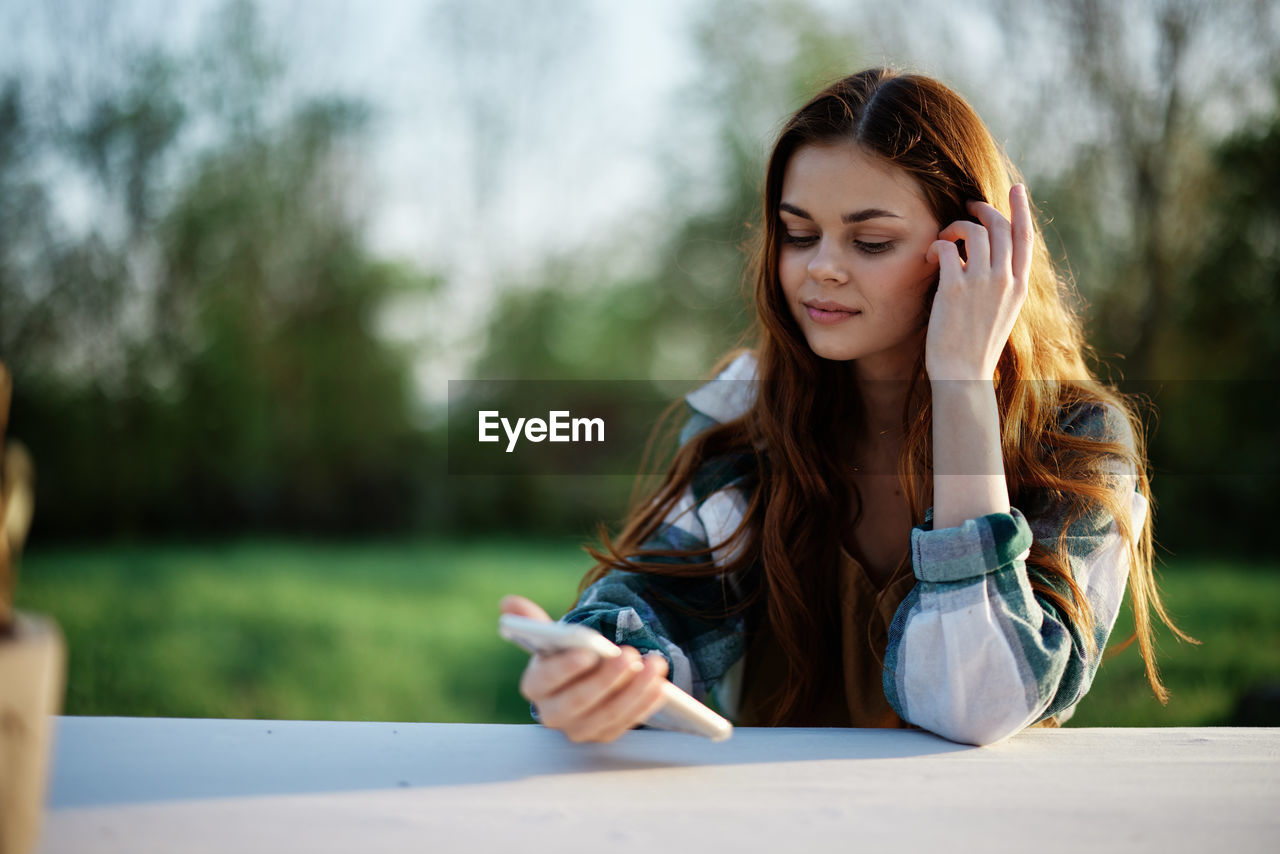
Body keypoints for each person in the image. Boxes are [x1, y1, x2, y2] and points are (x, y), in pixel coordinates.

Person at [500, 67, 1188, 746]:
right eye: (799, 234)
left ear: (969, 251)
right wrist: (596, 675)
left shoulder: (1076, 439)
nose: (820, 268)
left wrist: (961, 385)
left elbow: (979, 704)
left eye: (871, 242)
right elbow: (652, 606)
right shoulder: (748, 419)